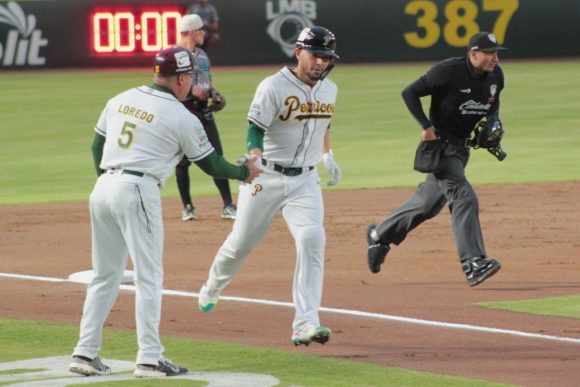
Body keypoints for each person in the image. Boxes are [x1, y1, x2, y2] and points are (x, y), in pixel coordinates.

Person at [68, 46, 261, 378]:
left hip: (103, 189)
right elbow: (211, 164)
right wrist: (245, 173)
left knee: (104, 275)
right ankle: (149, 358)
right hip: (138, 190)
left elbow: (96, 146)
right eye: (190, 78)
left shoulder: (120, 98)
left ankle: (85, 354)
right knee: (148, 276)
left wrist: (109, 183)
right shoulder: (180, 116)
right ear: (183, 79)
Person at [198, 26, 342, 347]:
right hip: (266, 177)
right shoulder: (273, 86)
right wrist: (255, 157)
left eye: (327, 57)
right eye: (316, 55)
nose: (321, 62)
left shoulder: (329, 89)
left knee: (312, 238)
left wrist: (326, 152)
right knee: (241, 244)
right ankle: (212, 285)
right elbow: (255, 128)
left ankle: (305, 323)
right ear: (299, 52)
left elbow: (324, 121)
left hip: (305, 180)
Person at [366, 31, 505, 287]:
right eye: (490, 53)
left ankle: (379, 234)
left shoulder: (496, 76)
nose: (495, 58)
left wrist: (494, 122)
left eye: (497, 53)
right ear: (474, 54)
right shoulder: (448, 71)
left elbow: (492, 104)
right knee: (464, 197)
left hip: (461, 151)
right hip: (440, 146)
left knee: (427, 204)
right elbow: (410, 93)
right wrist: (426, 126)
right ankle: (473, 263)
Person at [175, 14, 235, 221]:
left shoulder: (201, 55)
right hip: (182, 112)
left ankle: (228, 205)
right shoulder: (172, 55)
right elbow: (166, 85)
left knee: (216, 157)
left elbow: (208, 82)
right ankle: (188, 207)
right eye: (201, 30)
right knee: (182, 161)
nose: (204, 34)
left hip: (203, 112)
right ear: (192, 31)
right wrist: (192, 89)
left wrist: (215, 94)